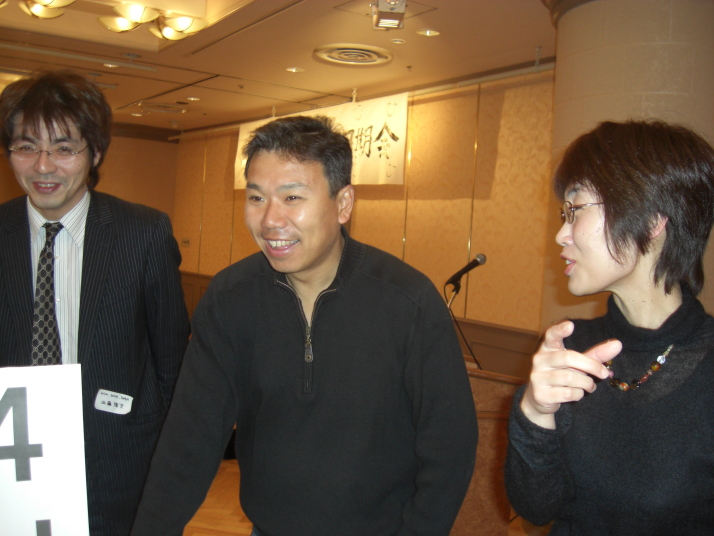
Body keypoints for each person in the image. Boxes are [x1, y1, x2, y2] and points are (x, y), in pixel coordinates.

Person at [130, 115, 478, 536]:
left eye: (292, 197)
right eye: (256, 198)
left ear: (343, 204)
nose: (270, 220)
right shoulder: (231, 298)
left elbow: (450, 445)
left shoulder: (408, 302)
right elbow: (190, 437)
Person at [0, 70, 190, 535]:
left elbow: (172, 363)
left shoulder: (142, 233)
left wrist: (166, 469)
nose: (43, 166)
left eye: (64, 148)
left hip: (117, 464)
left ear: (96, 152)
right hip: (14, 467)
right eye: (26, 147)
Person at [505, 120, 714, 535]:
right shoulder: (571, 348)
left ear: (651, 219)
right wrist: (535, 412)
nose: (560, 234)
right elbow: (535, 509)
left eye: (576, 210)